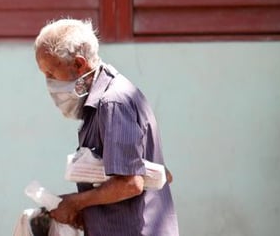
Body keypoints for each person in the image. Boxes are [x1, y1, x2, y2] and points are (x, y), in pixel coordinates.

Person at [33, 18, 179, 235]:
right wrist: (81, 209)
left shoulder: (112, 103)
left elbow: (130, 183)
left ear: (79, 64)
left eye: (51, 74)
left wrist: (75, 203)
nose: (49, 84)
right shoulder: (100, 102)